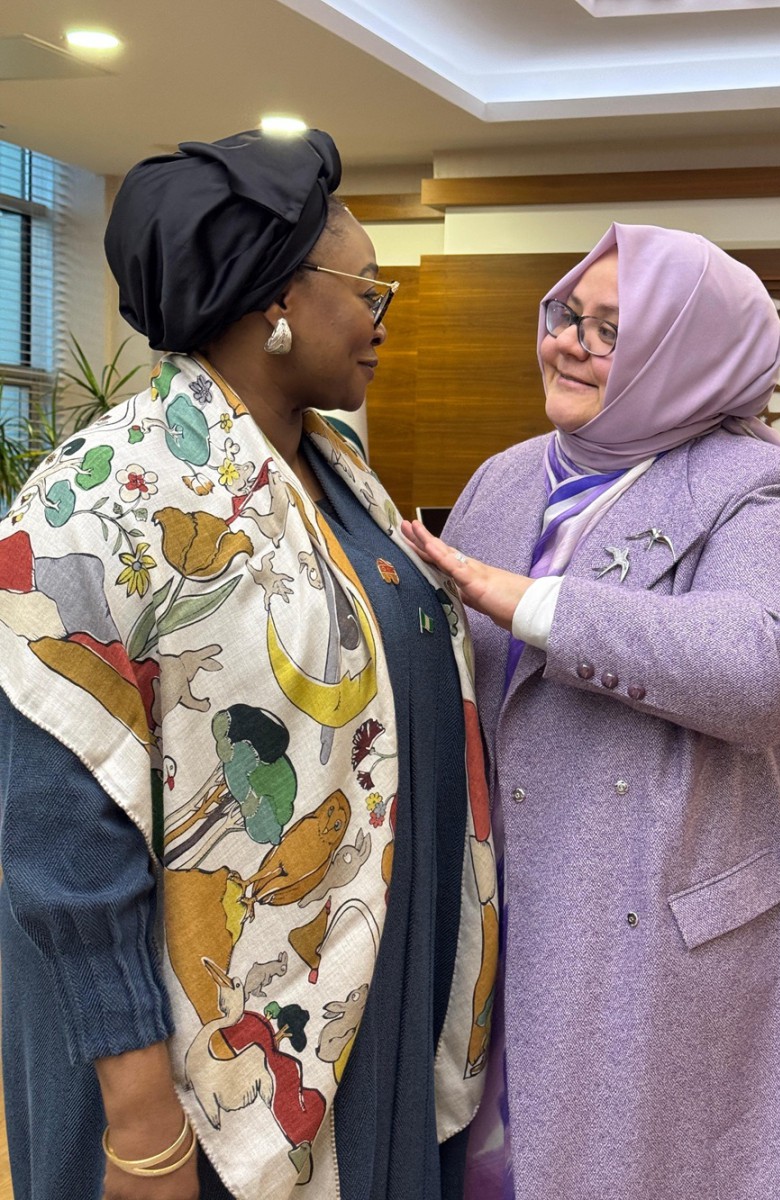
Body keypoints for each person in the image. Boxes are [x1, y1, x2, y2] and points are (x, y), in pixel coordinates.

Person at [0, 129, 497, 1200]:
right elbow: (59, 841)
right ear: (276, 297)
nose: (380, 322)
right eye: (366, 290)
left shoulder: (336, 470)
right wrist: (142, 1124)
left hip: (358, 993)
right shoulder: (103, 497)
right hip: (185, 1057)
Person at [402, 222, 780, 1200]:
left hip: (653, 941)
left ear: (687, 355)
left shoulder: (761, 487)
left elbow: (779, 664)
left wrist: (539, 606)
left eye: (610, 331)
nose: (568, 344)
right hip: (502, 921)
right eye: (566, 315)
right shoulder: (503, 478)